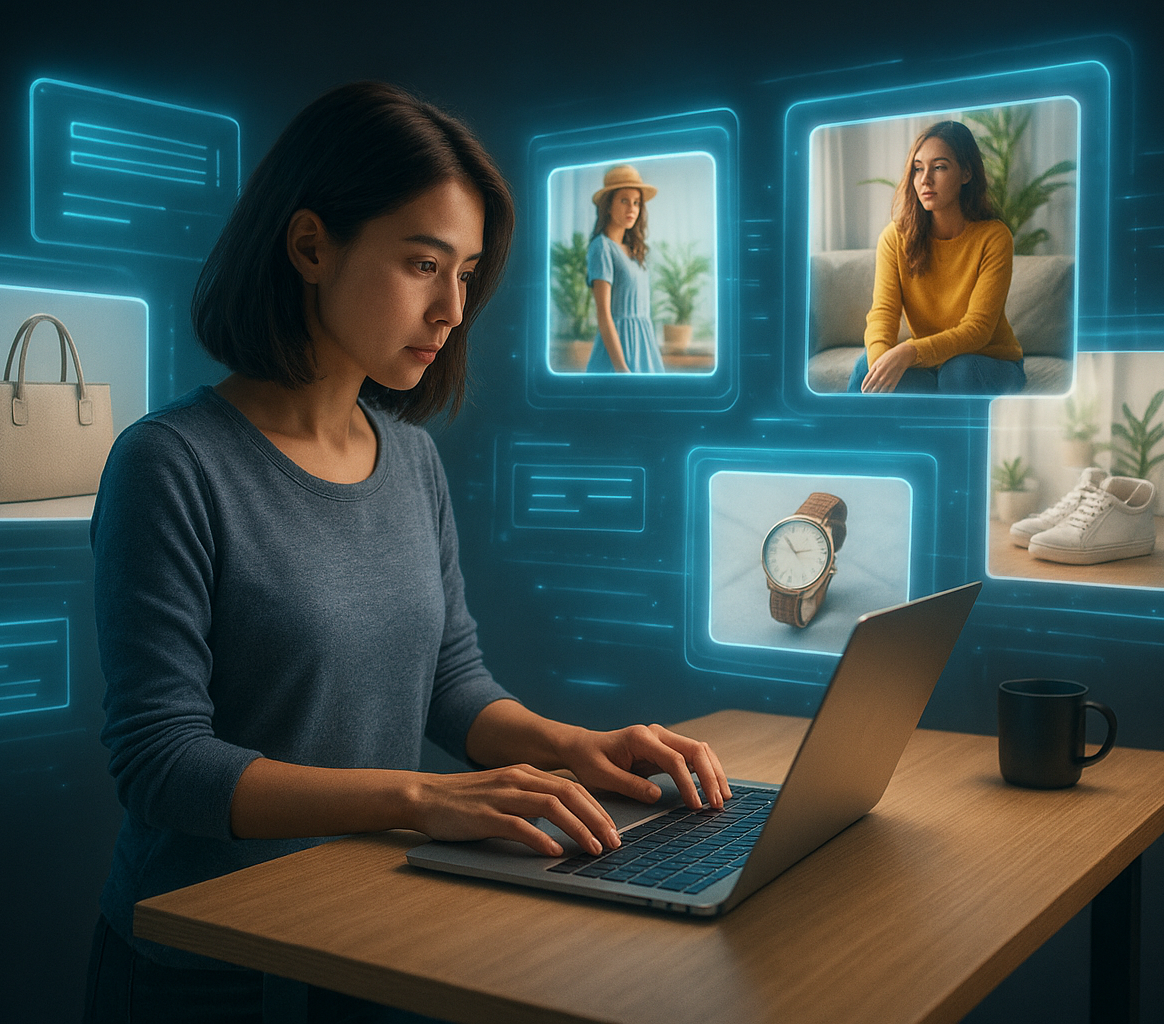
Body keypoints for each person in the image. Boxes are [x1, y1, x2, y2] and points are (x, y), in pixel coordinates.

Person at [82, 82, 730, 1023]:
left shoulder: (411, 457)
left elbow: (447, 684)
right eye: (424, 264)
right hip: (207, 963)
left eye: (466, 274)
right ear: (311, 246)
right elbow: (163, 762)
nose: (453, 310)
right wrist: (426, 800)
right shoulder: (168, 463)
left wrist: (577, 748)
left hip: (366, 934)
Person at [848, 120, 1027, 395]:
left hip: (989, 362)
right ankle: (853, 438)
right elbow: (882, 314)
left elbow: (977, 329)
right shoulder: (894, 238)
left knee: (958, 373)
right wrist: (881, 363)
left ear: (966, 173)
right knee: (866, 369)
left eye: (939, 167)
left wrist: (909, 351)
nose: (925, 179)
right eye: (918, 168)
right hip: (932, 363)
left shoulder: (994, 236)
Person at [585, 164, 664, 373]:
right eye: (624, 200)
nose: (632, 208)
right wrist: (622, 370)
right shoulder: (601, 247)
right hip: (617, 353)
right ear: (608, 206)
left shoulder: (634, 250)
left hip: (644, 346)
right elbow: (604, 315)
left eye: (636, 203)